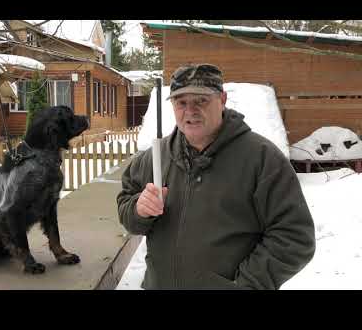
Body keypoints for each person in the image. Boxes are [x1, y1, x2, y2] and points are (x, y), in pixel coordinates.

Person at [117, 63, 316, 290]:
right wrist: (139, 210)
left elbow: (294, 237)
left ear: (222, 99)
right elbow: (127, 206)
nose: (190, 111)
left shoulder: (261, 159)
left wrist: (245, 284)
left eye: (201, 100)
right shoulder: (155, 157)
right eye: (181, 102)